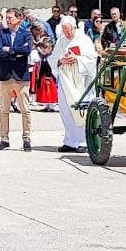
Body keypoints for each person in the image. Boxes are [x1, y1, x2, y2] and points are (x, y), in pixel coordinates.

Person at [49, 16, 97, 152]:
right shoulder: (61, 41)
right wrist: (60, 60)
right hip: (65, 82)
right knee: (66, 110)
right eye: (64, 31)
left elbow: (92, 60)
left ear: (74, 28)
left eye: (68, 31)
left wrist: (77, 59)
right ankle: (70, 141)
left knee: (80, 110)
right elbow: (53, 59)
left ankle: (82, 142)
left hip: (80, 82)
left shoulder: (84, 40)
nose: (67, 34)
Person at [0, 7, 34, 151]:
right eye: (7, 17)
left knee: (25, 110)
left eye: (10, 17)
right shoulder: (1, 34)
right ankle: (4, 138)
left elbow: (27, 50)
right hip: (5, 76)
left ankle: (26, 138)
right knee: (4, 110)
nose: (8, 20)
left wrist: (9, 50)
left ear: (19, 18)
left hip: (21, 76)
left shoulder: (26, 34)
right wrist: (16, 52)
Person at [31, 37, 58, 112]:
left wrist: (48, 77)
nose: (44, 50)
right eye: (43, 48)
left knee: (50, 90)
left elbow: (50, 68)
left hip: (49, 76)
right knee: (44, 90)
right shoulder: (43, 56)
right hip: (43, 75)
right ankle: (47, 105)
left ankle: (52, 105)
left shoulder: (51, 57)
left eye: (45, 48)